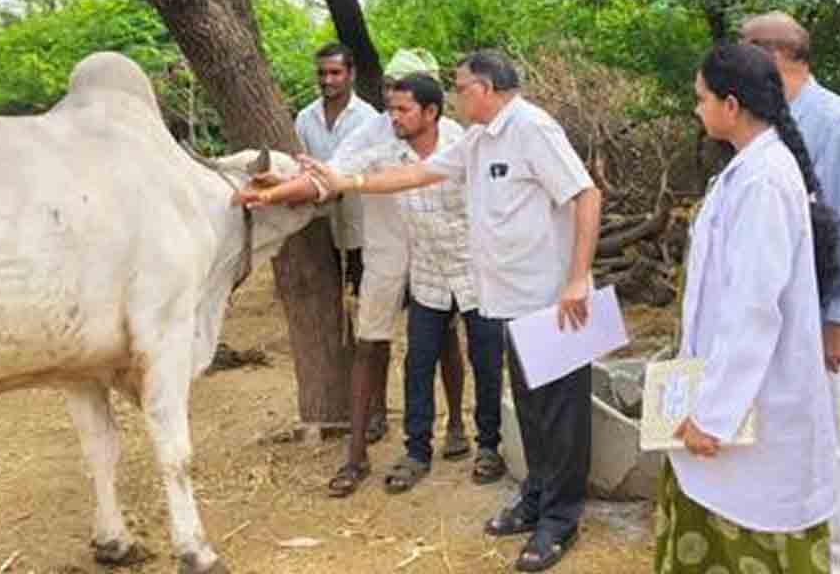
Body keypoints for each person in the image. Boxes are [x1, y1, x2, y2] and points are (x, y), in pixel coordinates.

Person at [302, 50, 601, 573]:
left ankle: (560, 520)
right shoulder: (480, 139)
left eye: (460, 87)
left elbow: (586, 195)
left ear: (484, 88)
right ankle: (535, 498)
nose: (456, 96)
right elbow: (419, 175)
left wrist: (578, 277)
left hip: (551, 300)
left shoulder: (533, 129)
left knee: (560, 415)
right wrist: (347, 181)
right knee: (531, 411)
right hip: (507, 297)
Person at [243, 72, 507, 496]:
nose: (394, 116)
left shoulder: (462, 145)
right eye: (390, 107)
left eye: (403, 110)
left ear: (431, 112)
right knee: (418, 362)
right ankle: (416, 451)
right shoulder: (385, 144)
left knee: (487, 359)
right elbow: (337, 177)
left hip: (472, 266)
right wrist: (274, 194)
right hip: (426, 272)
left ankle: (488, 445)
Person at [656, 43, 840, 574]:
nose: (697, 109)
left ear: (730, 105)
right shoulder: (748, 170)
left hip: (749, 407)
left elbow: (753, 310)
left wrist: (713, 414)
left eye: (701, 99)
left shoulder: (763, 181)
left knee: (749, 537)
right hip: (724, 393)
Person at [741, 12, 840, 574]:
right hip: (777, 315)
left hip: (822, 315)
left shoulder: (834, 122)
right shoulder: (766, 120)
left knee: (835, 440)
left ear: (772, 56)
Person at [294, 43, 393, 447]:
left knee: (372, 324)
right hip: (321, 230)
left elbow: (362, 171)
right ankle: (347, 404)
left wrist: (330, 188)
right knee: (338, 321)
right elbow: (301, 164)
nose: (328, 81)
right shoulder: (305, 118)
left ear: (350, 74)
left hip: (363, 234)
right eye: (322, 73)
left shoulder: (368, 119)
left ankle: (379, 410)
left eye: (335, 73)